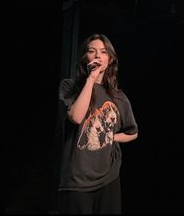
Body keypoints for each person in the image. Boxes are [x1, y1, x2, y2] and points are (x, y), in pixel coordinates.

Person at [57, 33, 138, 214]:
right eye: (92, 51)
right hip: (77, 180)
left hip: (108, 178)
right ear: (85, 57)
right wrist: (91, 79)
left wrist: (112, 136)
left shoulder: (119, 98)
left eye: (103, 52)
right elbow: (77, 117)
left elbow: (133, 132)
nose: (97, 56)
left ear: (109, 59)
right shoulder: (69, 87)